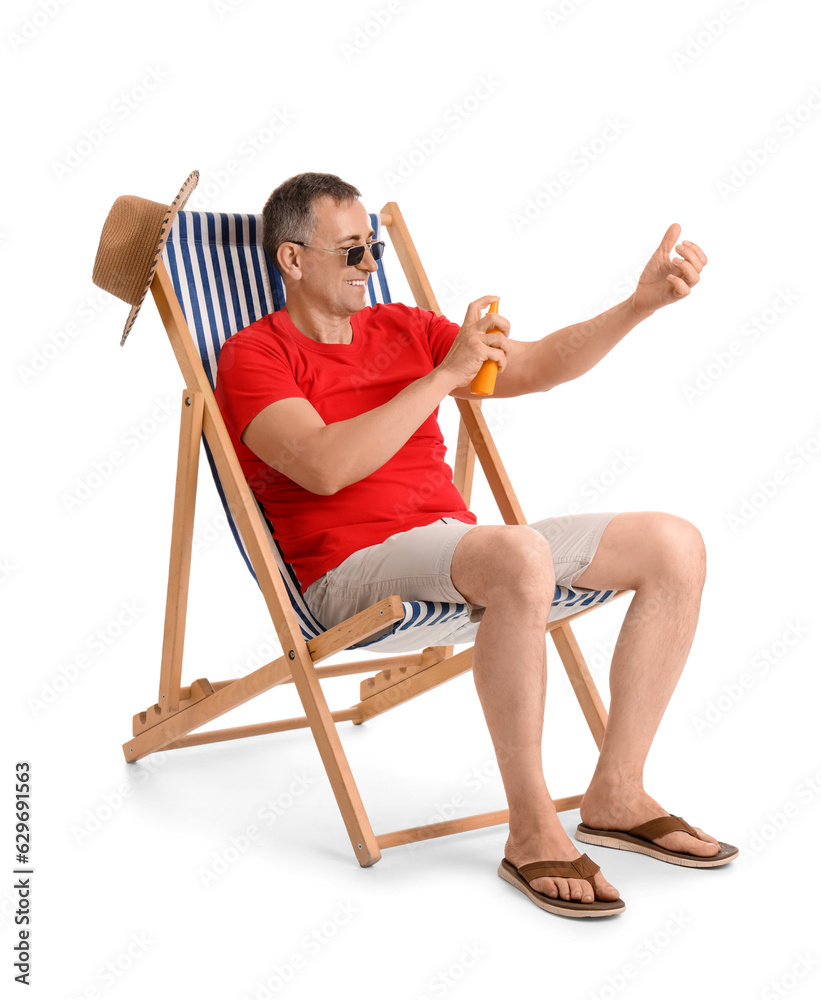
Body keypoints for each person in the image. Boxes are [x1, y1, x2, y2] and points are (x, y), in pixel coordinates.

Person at [214, 172, 737, 918]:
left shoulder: (402, 326)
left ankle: (616, 793)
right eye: (352, 250)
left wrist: (637, 305)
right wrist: (446, 376)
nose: (370, 264)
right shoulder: (253, 356)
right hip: (349, 571)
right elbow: (325, 468)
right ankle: (529, 832)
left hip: (457, 550)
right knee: (515, 556)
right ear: (292, 260)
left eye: (375, 247)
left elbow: (537, 365)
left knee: (673, 545)